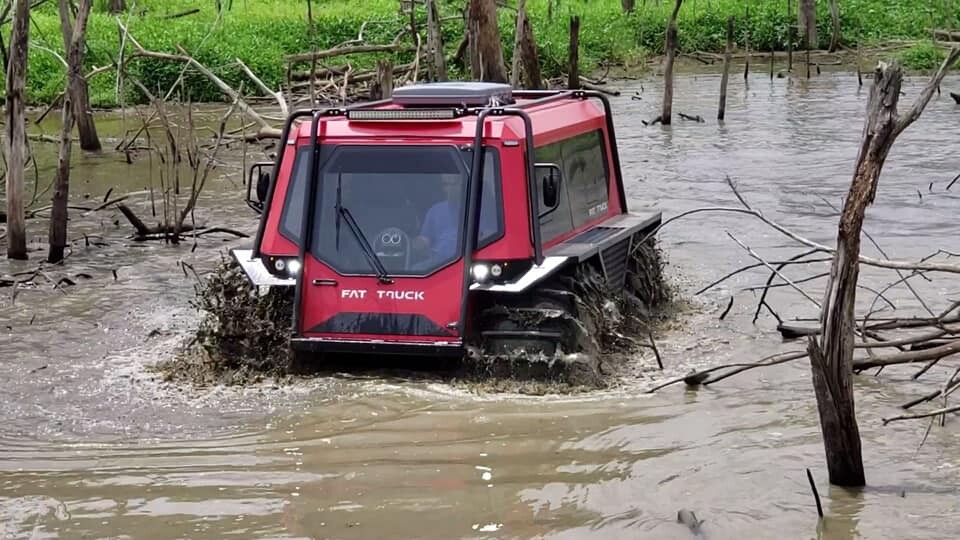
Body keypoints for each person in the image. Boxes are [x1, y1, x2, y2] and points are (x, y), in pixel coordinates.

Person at [413, 175, 496, 267]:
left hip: (467, 259)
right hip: (438, 263)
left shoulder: (478, 210)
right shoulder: (435, 210)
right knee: (415, 268)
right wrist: (413, 243)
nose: (449, 188)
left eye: (453, 184)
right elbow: (425, 239)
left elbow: (489, 235)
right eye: (445, 185)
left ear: (463, 185)